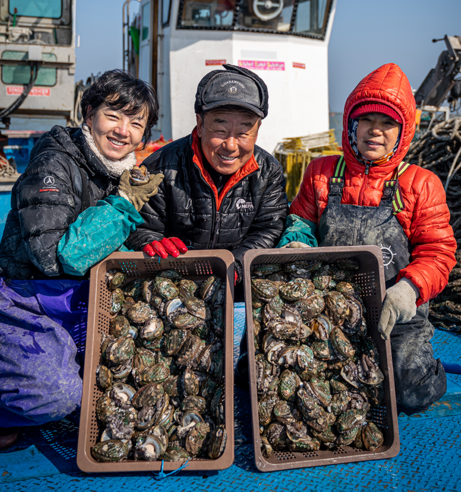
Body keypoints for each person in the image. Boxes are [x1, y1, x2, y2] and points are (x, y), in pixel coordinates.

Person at [0, 70, 164, 448]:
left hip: (83, 300)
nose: (123, 130)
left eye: (136, 122)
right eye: (113, 115)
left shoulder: (120, 172)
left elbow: (123, 230)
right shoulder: (53, 164)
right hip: (23, 299)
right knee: (56, 396)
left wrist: (151, 238)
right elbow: (57, 257)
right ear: (88, 114)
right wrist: (124, 206)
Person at [277, 63, 457, 415]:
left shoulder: (421, 183)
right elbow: (300, 218)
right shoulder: (322, 171)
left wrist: (411, 288)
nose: (375, 131)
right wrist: (297, 241)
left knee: (408, 391)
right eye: (367, 120)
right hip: (328, 306)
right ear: (350, 125)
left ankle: (426, 366)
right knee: (300, 381)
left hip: (397, 315)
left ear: (403, 131)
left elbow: (439, 251)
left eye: (387, 123)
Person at [126, 64, 288, 288]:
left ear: (257, 130)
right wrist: (151, 242)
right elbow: (140, 227)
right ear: (200, 125)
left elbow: (269, 228)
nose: (230, 146)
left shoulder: (269, 172)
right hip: (171, 282)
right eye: (220, 131)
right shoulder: (159, 167)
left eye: (243, 133)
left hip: (238, 284)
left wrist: (236, 265)